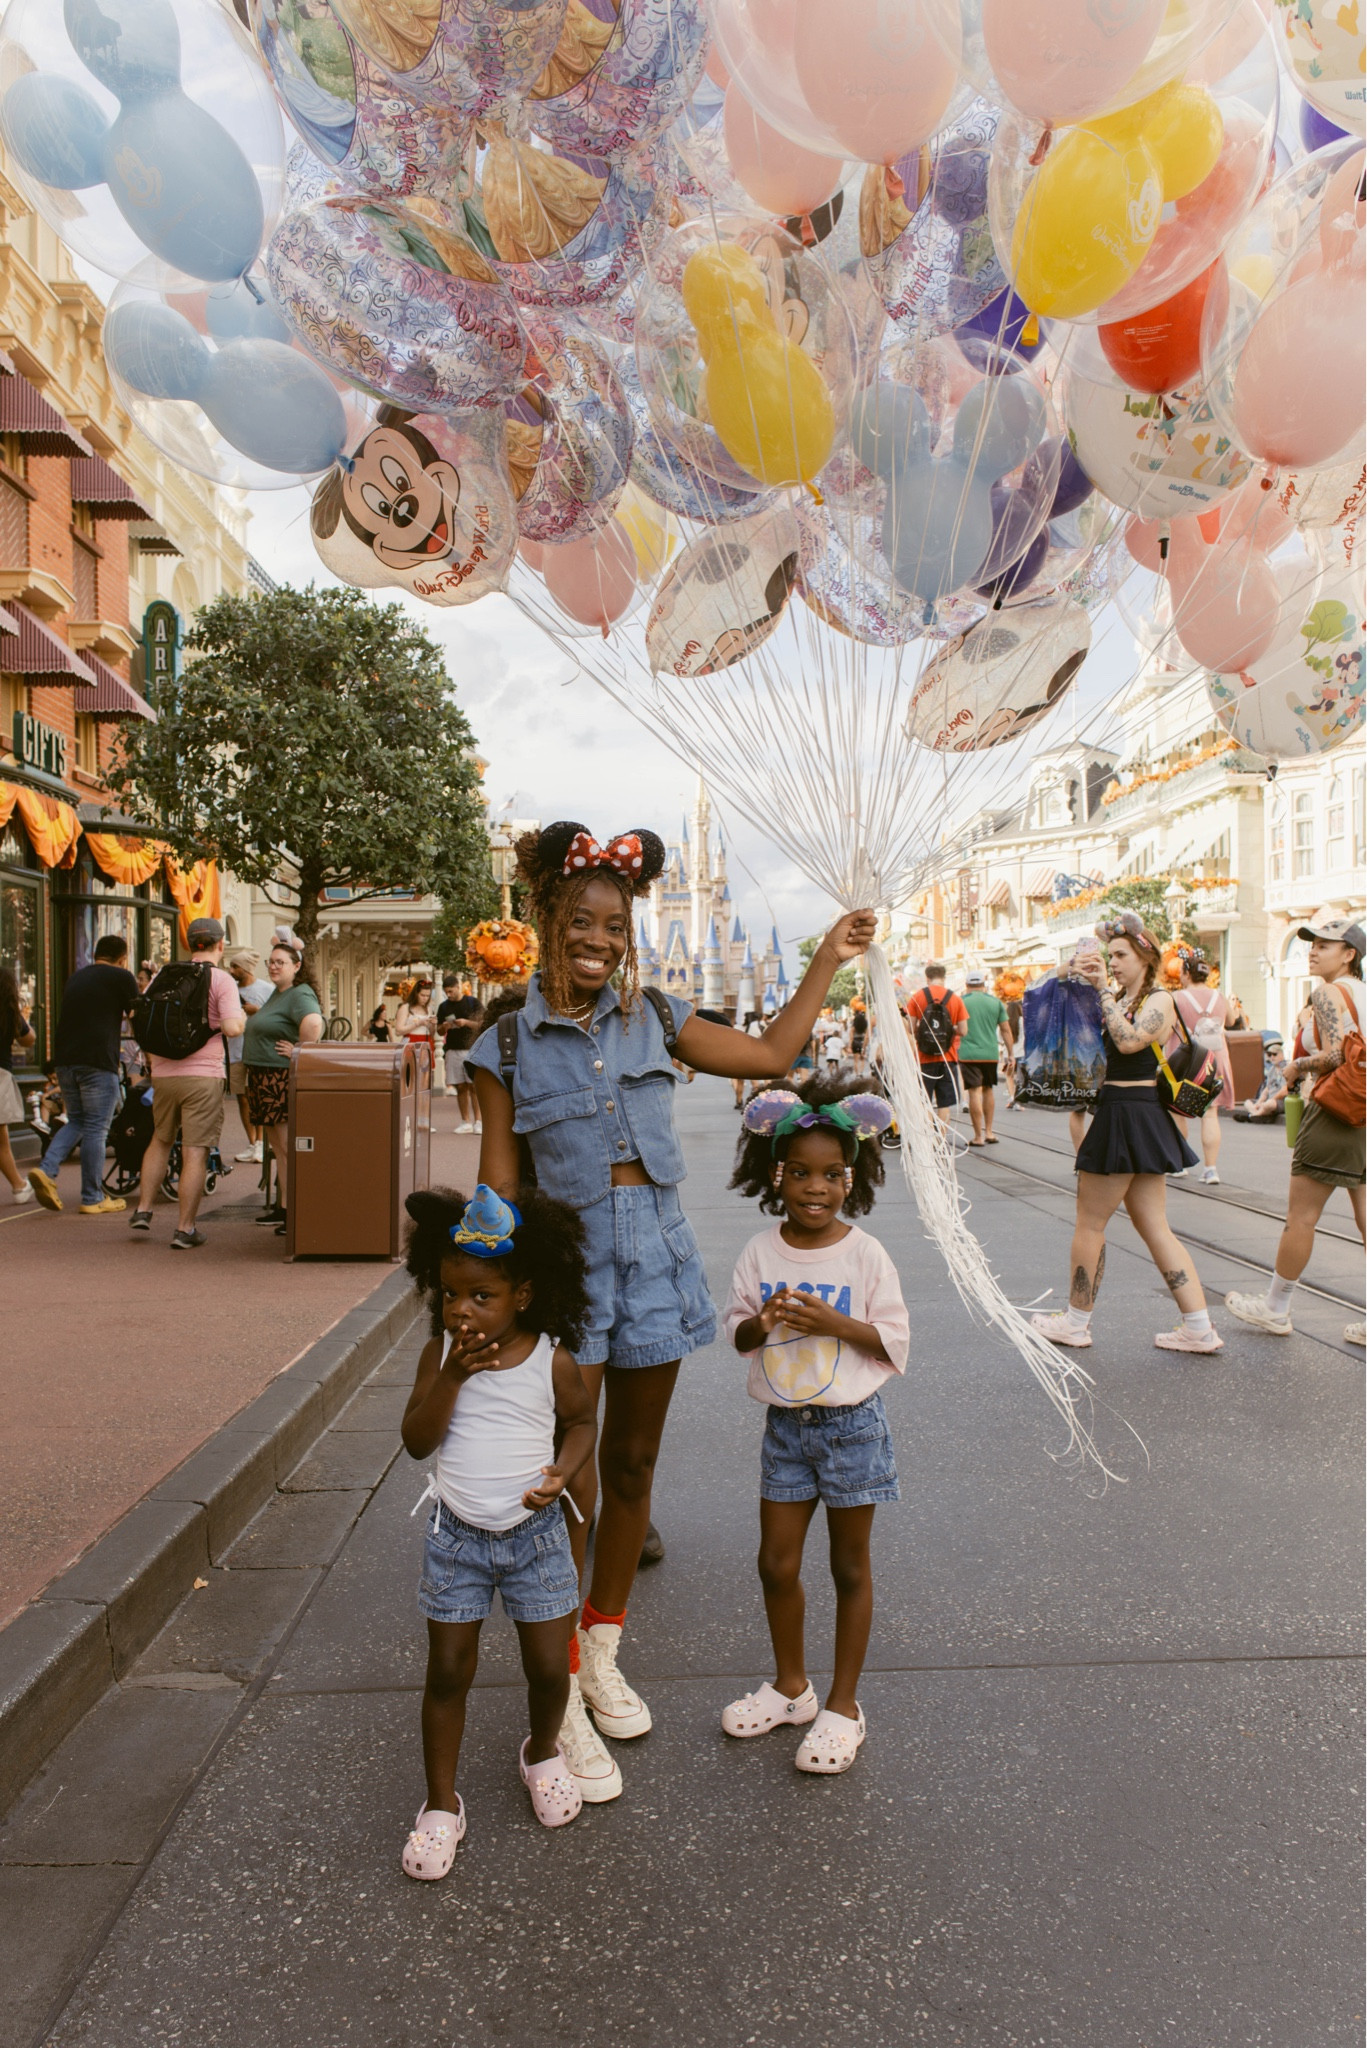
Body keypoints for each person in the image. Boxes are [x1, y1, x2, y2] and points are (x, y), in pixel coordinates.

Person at [469, 818, 874, 1799]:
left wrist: (828, 952)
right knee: (560, 1472)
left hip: (651, 1258)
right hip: (563, 1272)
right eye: (580, 920)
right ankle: (558, 1681)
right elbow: (494, 1189)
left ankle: (601, 1648)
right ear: (546, 920)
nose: (597, 938)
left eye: (613, 923)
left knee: (634, 1462)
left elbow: (775, 1047)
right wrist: (481, 1312)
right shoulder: (504, 1043)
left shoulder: (655, 1016)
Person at [399, 1184, 599, 1875]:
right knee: (448, 1671)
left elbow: (579, 1425)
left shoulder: (552, 1361)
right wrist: (451, 1376)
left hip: (535, 1536)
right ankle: (439, 1805)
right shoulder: (439, 1358)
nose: (461, 1309)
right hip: (456, 1539)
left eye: (480, 1296)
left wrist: (563, 1473)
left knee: (548, 1667)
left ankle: (542, 1750)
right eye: (451, 1294)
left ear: (522, 1293)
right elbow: (417, 1442)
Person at [721, 1081, 905, 1773]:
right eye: (799, 1173)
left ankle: (843, 1706)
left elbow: (893, 1342)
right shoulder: (760, 1253)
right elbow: (738, 1338)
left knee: (848, 1565)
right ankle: (790, 1687)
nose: (814, 1188)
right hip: (785, 1428)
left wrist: (832, 1322)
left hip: (852, 1426)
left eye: (830, 1174)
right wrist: (762, 1322)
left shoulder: (864, 1255)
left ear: (850, 1178)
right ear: (776, 1173)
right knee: (776, 1562)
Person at [1030, 912, 1222, 1354]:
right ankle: (1198, 1327)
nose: (1113, 962)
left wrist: (1101, 991)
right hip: (1132, 1114)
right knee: (1153, 1225)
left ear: (1145, 957)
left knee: (1090, 1223)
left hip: (1128, 1113)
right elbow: (1044, 988)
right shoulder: (1117, 994)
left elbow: (1130, 1042)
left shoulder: (1160, 999)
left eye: (1121, 955)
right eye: (1110, 955)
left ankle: (1076, 1322)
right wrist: (1076, 967)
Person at [1226, 917, 1365, 1348]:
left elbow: (1337, 1053)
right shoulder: (1363, 993)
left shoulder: (1329, 992)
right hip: (1363, 1111)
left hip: (1335, 1110)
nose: (1314, 950)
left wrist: (1295, 1066)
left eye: (1326, 944)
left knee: (1301, 1216)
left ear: (1349, 955)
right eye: (1312, 943)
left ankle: (1275, 1305)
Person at [127, 919, 244, 1248]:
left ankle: (144, 1209)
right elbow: (233, 1028)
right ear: (220, 945)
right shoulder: (221, 979)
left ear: (191, 944)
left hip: (163, 1074)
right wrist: (241, 1018)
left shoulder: (165, 974)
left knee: (160, 1140)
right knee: (195, 1151)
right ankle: (185, 1228)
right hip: (203, 1075)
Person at [27, 934, 141, 1217]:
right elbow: (137, 1017)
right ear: (122, 958)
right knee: (96, 1128)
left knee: (77, 1119)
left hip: (65, 1063)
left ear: (96, 954)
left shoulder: (76, 978)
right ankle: (92, 1197)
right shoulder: (122, 976)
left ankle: (46, 1169)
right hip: (97, 1061)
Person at [241, 936, 325, 1236]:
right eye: (271, 962)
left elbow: (315, 1022)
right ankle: (285, 1206)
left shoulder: (299, 994)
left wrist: (301, 1050)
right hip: (265, 1077)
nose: (274, 967)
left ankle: (296, 1211)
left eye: (281, 962)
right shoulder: (280, 993)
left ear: (297, 966)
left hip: (278, 1078)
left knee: (288, 1148)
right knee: (279, 1147)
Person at [1169, 946, 1233, 1186]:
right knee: (1210, 1112)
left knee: (1177, 1110)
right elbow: (1233, 1019)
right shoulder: (1220, 997)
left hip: (1187, 1061)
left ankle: (1179, 1164)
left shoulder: (1177, 998)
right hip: (1215, 1059)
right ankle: (1210, 1169)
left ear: (1185, 973)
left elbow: (1169, 1028)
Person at [903, 964, 967, 1128]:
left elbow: (910, 1029)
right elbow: (963, 1030)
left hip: (924, 1058)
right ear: (944, 978)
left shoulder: (918, 997)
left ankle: (928, 1138)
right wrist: (949, 1028)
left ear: (927, 978)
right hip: (948, 1057)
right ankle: (941, 1140)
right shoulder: (955, 998)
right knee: (944, 1103)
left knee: (925, 1101)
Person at [226, 949, 273, 1164]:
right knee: (242, 1097)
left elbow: (276, 1017)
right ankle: (252, 1142)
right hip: (235, 1050)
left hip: (258, 1051)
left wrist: (258, 1011)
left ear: (245, 968)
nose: (231, 970)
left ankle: (262, 1143)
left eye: (235, 966)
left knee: (257, 1097)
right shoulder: (230, 990)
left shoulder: (267, 989)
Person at [958, 968, 1013, 1146]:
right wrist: (1010, 1054)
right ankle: (989, 1132)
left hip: (968, 1054)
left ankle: (978, 1136)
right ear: (983, 984)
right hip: (990, 1053)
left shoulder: (960, 1002)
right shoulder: (995, 1002)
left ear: (967, 985)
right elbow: (1005, 1029)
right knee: (988, 1089)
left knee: (974, 1091)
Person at [0, 965, 37, 1204]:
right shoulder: (8, 1011)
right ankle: (19, 1186)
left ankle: (19, 1185)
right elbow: (30, 1039)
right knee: (1, 1139)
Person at [437, 975, 483, 1133]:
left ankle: (478, 1121)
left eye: (450, 991)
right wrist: (444, 1027)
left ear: (458, 987)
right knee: (460, 1086)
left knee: (474, 1086)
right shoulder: (443, 1007)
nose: (448, 994)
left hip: (471, 1048)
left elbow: (483, 1024)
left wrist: (466, 1023)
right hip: (453, 1049)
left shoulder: (472, 1003)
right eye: (446, 992)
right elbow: (438, 1030)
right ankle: (465, 1121)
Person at [1232, 1036, 1288, 1123]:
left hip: (1280, 1101)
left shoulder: (1286, 1068)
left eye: (1275, 1054)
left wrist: (1271, 1099)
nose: (1272, 1057)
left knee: (1269, 1104)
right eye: (1269, 1055)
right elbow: (1266, 1089)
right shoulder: (1271, 1070)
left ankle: (1252, 1116)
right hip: (1269, 1099)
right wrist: (1259, 1102)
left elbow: (1285, 1091)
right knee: (1247, 1102)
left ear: (1282, 1055)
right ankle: (1258, 1115)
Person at [849, 998, 869, 1076]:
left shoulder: (854, 1025)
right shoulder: (865, 1024)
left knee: (855, 1060)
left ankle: (856, 1073)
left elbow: (851, 1034)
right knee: (862, 1058)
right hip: (862, 1041)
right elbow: (867, 1034)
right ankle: (861, 1072)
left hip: (855, 1041)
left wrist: (850, 1044)